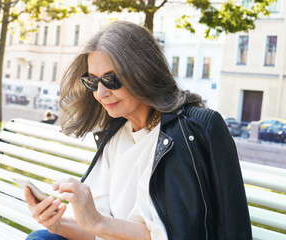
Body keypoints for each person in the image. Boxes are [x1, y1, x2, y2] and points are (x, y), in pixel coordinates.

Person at [24, 21, 252, 240]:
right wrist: (57, 223)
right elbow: (99, 233)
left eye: (111, 79)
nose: (100, 93)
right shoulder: (117, 135)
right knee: (43, 237)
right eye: (93, 82)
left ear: (142, 71)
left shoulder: (192, 130)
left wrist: (96, 222)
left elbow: (173, 234)